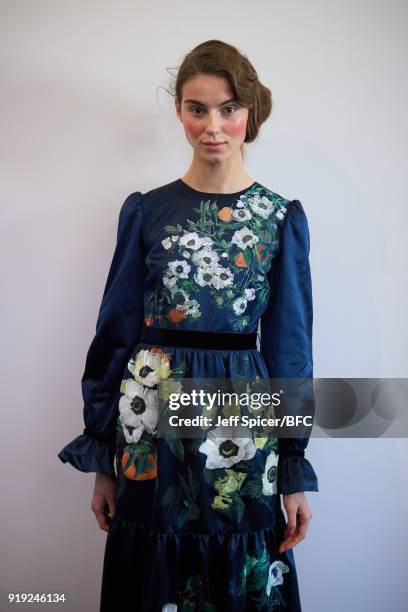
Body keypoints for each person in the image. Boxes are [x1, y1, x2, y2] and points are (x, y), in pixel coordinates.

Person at [58, 39, 319, 612]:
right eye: (197, 108)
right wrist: (103, 459)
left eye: (229, 108)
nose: (213, 126)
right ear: (179, 110)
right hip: (150, 421)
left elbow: (290, 348)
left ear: (250, 111)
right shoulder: (147, 211)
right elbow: (114, 333)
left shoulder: (280, 219)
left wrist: (294, 468)